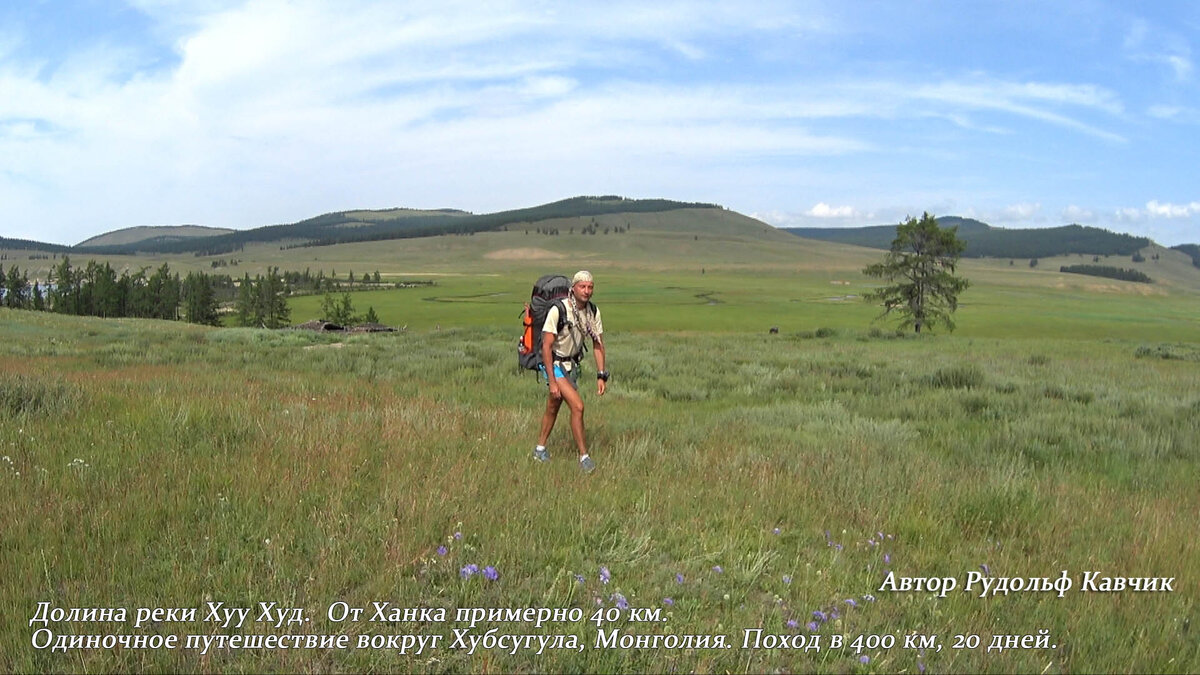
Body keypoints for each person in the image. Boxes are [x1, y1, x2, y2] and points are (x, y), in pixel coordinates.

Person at [533, 270, 608, 473]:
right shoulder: (559, 310)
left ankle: (539, 449)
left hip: (571, 366)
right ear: (573, 288)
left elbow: (598, 343)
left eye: (590, 287)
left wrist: (601, 374)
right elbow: (546, 347)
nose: (587, 291)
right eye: (582, 286)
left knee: (553, 406)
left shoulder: (592, 311)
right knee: (578, 406)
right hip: (555, 365)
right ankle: (584, 457)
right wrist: (552, 381)